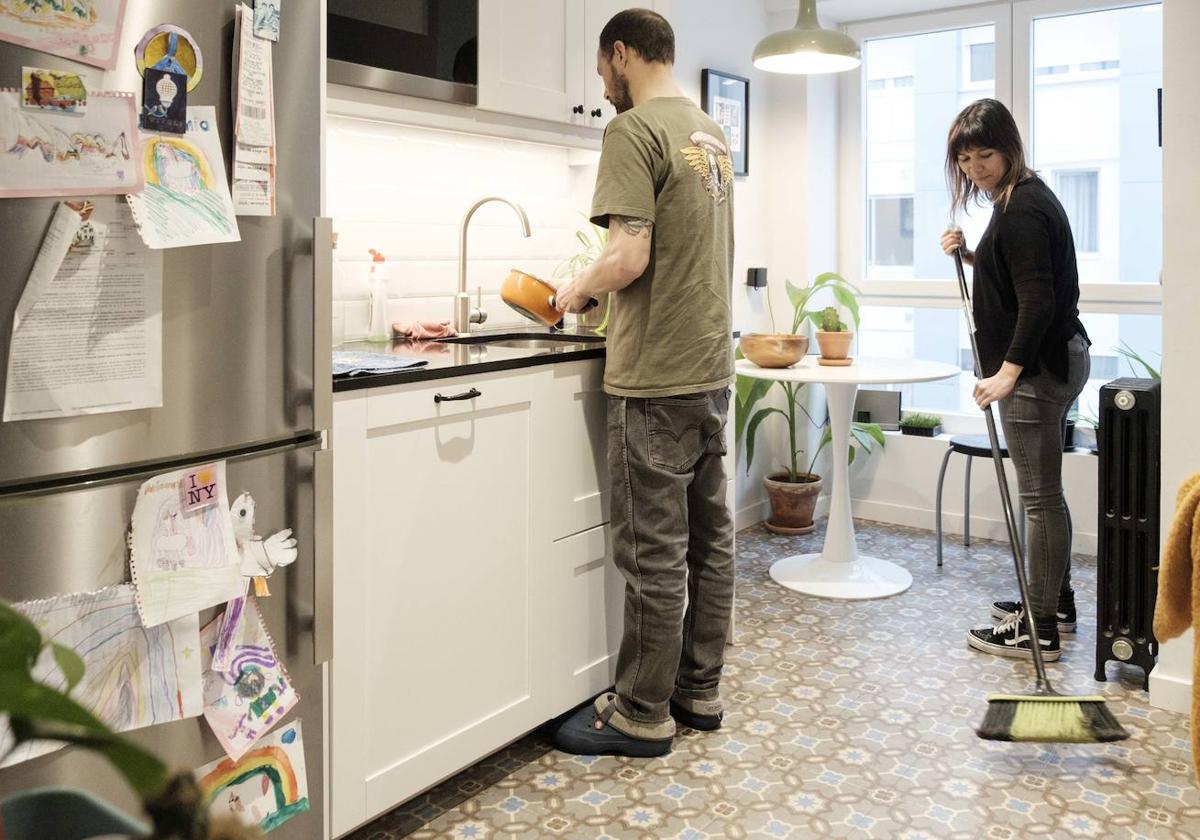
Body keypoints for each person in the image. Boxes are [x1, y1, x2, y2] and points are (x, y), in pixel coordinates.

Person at [551, 8, 735, 757]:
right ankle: (700, 692)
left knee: (652, 553)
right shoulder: (709, 131)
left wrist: (574, 290)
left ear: (622, 54)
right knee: (710, 541)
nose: (603, 88)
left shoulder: (632, 131)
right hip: (710, 370)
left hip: (655, 375)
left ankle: (640, 713)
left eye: (602, 72)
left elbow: (627, 256)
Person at [939, 98, 1091, 663]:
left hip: (1037, 371)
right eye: (965, 158)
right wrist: (975, 255)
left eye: (986, 154)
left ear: (1009, 148)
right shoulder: (1021, 196)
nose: (976, 168)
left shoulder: (1022, 207)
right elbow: (1021, 275)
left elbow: (1038, 300)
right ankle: (1057, 602)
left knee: (1038, 499)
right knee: (1046, 495)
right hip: (1060, 360)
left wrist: (1008, 372)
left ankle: (1040, 628)